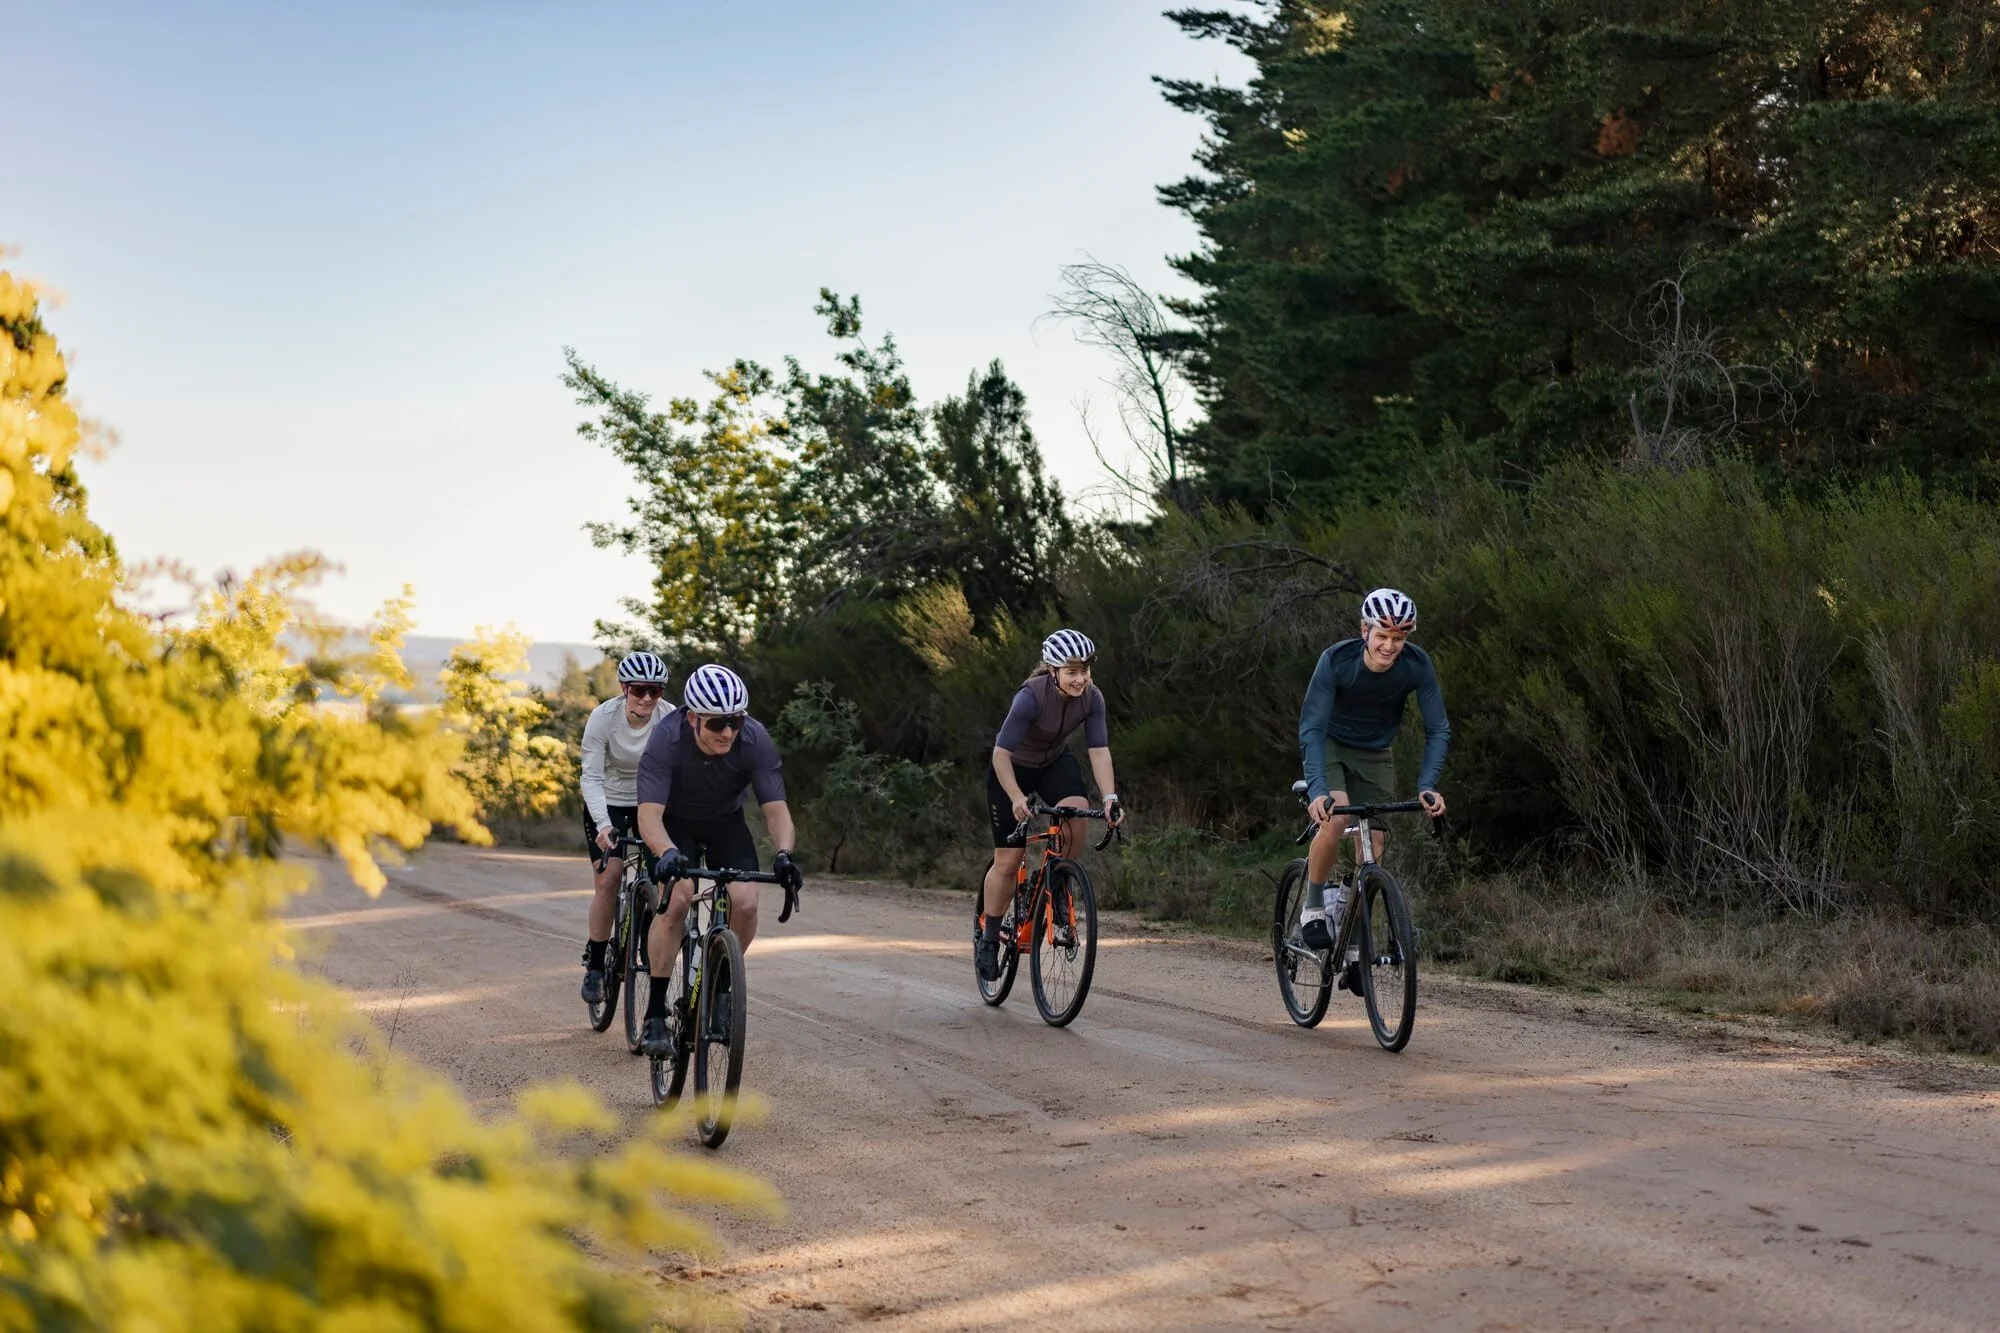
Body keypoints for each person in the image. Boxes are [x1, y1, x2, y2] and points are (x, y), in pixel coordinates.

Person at [634, 663, 803, 1056]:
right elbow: (648, 817)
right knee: (677, 898)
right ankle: (655, 1013)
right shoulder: (665, 740)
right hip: (674, 823)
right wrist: (668, 853)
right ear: (692, 718)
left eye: (735, 721)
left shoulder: (754, 739)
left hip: (726, 821)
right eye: (716, 724)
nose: (728, 731)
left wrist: (783, 855)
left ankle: (722, 988)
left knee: (745, 901)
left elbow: (776, 810)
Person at [1296, 588, 1449, 960]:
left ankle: (1350, 936)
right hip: (1330, 742)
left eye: (1398, 638)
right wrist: (1318, 790)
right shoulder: (1336, 661)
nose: (1390, 646)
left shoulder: (1416, 664)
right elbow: (1311, 729)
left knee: (1373, 847)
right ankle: (1313, 907)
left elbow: (1438, 729)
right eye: (1382, 636)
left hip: (1375, 752)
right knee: (1336, 821)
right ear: (1364, 631)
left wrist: (1428, 785)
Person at [975, 628, 1126, 981]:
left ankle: (1059, 884)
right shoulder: (1030, 698)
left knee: (1075, 815)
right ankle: (989, 937)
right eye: (1072, 672)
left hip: (1054, 763)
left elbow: (1099, 750)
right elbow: (1000, 754)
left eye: (1085, 671)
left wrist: (1109, 798)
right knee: (1009, 861)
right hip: (1011, 770)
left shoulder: (1093, 698)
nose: (1081, 679)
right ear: (1052, 670)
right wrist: (1015, 797)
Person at [577, 651, 670, 1006]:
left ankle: (650, 933)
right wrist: (602, 824)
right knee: (609, 876)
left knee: (662, 877)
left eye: (655, 691)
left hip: (650, 801)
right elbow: (592, 776)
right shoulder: (603, 718)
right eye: (639, 690)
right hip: (609, 800)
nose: (647, 698)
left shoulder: (669, 718)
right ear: (624, 688)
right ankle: (597, 964)